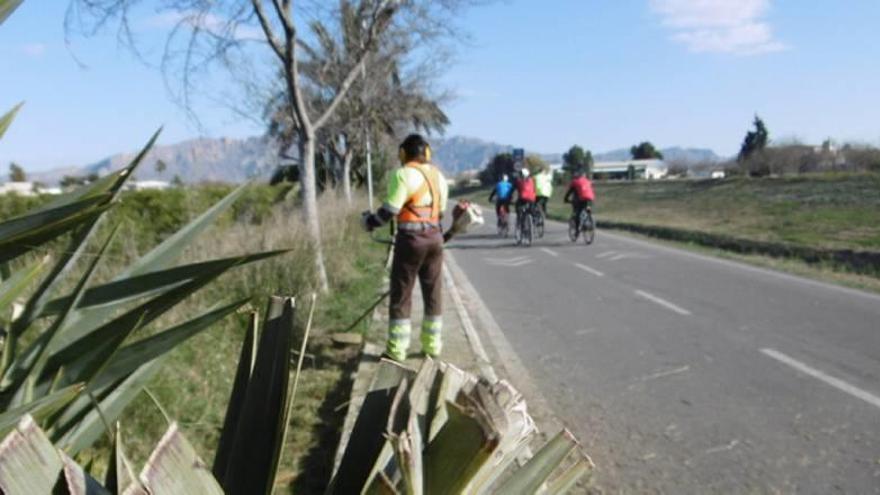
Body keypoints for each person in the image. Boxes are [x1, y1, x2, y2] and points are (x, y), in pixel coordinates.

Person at [362, 134, 449, 362]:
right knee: (433, 294)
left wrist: (369, 222)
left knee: (402, 294)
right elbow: (440, 211)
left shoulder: (402, 175)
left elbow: (390, 210)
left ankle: (396, 350)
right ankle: (432, 347)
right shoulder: (439, 176)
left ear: (402, 153)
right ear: (426, 153)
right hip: (436, 240)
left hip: (411, 242)